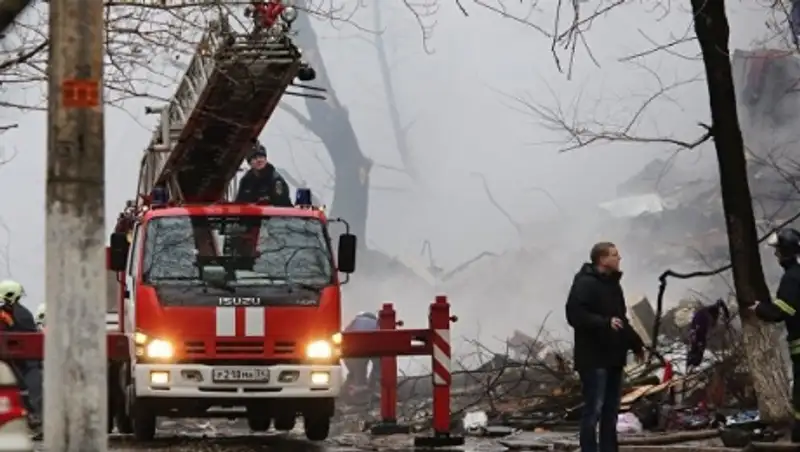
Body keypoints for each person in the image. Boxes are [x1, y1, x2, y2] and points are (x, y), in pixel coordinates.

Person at [566, 242, 645, 452]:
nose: (619, 258)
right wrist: (604, 322)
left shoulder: (613, 285)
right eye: (615, 255)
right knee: (594, 409)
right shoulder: (585, 283)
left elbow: (621, 319)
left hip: (613, 357)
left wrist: (636, 343)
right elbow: (574, 315)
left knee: (611, 410)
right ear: (602, 259)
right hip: (593, 359)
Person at [751, 227, 800, 443]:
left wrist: (759, 308)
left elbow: (782, 311)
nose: (776, 254)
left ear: (785, 252)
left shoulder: (791, 279)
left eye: (778, 250)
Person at [0, 280, 42, 426]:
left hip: (18, 358)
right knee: (28, 385)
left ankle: (33, 414)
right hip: (21, 359)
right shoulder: (18, 314)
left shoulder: (13, 314)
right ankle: (34, 414)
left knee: (26, 385)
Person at [235, 141, 293, 207]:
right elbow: (239, 204)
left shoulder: (276, 180)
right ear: (249, 162)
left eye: (261, 157)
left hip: (274, 216)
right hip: (252, 215)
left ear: (265, 159)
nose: (259, 160)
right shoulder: (246, 181)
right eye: (254, 158)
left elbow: (282, 206)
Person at [343, 311, 381, 392]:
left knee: (357, 371)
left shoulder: (354, 322)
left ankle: (356, 389)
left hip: (353, 349)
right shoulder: (376, 323)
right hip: (374, 345)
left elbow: (344, 338)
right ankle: (374, 386)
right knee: (378, 366)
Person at [687, 299, 730, 369]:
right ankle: (693, 361)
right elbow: (720, 302)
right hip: (699, 325)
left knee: (697, 344)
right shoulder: (706, 318)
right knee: (699, 344)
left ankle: (692, 361)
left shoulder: (704, 318)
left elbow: (720, 302)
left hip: (698, 324)